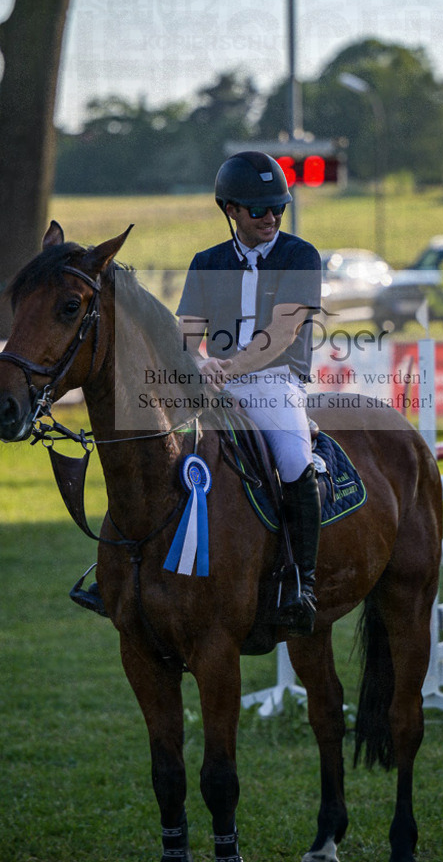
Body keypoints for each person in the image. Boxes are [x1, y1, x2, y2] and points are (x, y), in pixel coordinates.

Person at [176, 151, 323, 635]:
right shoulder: (206, 263)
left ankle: (301, 582)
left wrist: (228, 367)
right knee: (157, 451)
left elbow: (281, 336)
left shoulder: (300, 256)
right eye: (258, 209)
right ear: (231, 210)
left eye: (277, 207)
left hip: (275, 383)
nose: (271, 217)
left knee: (295, 461)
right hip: (214, 384)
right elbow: (184, 338)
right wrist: (202, 364)